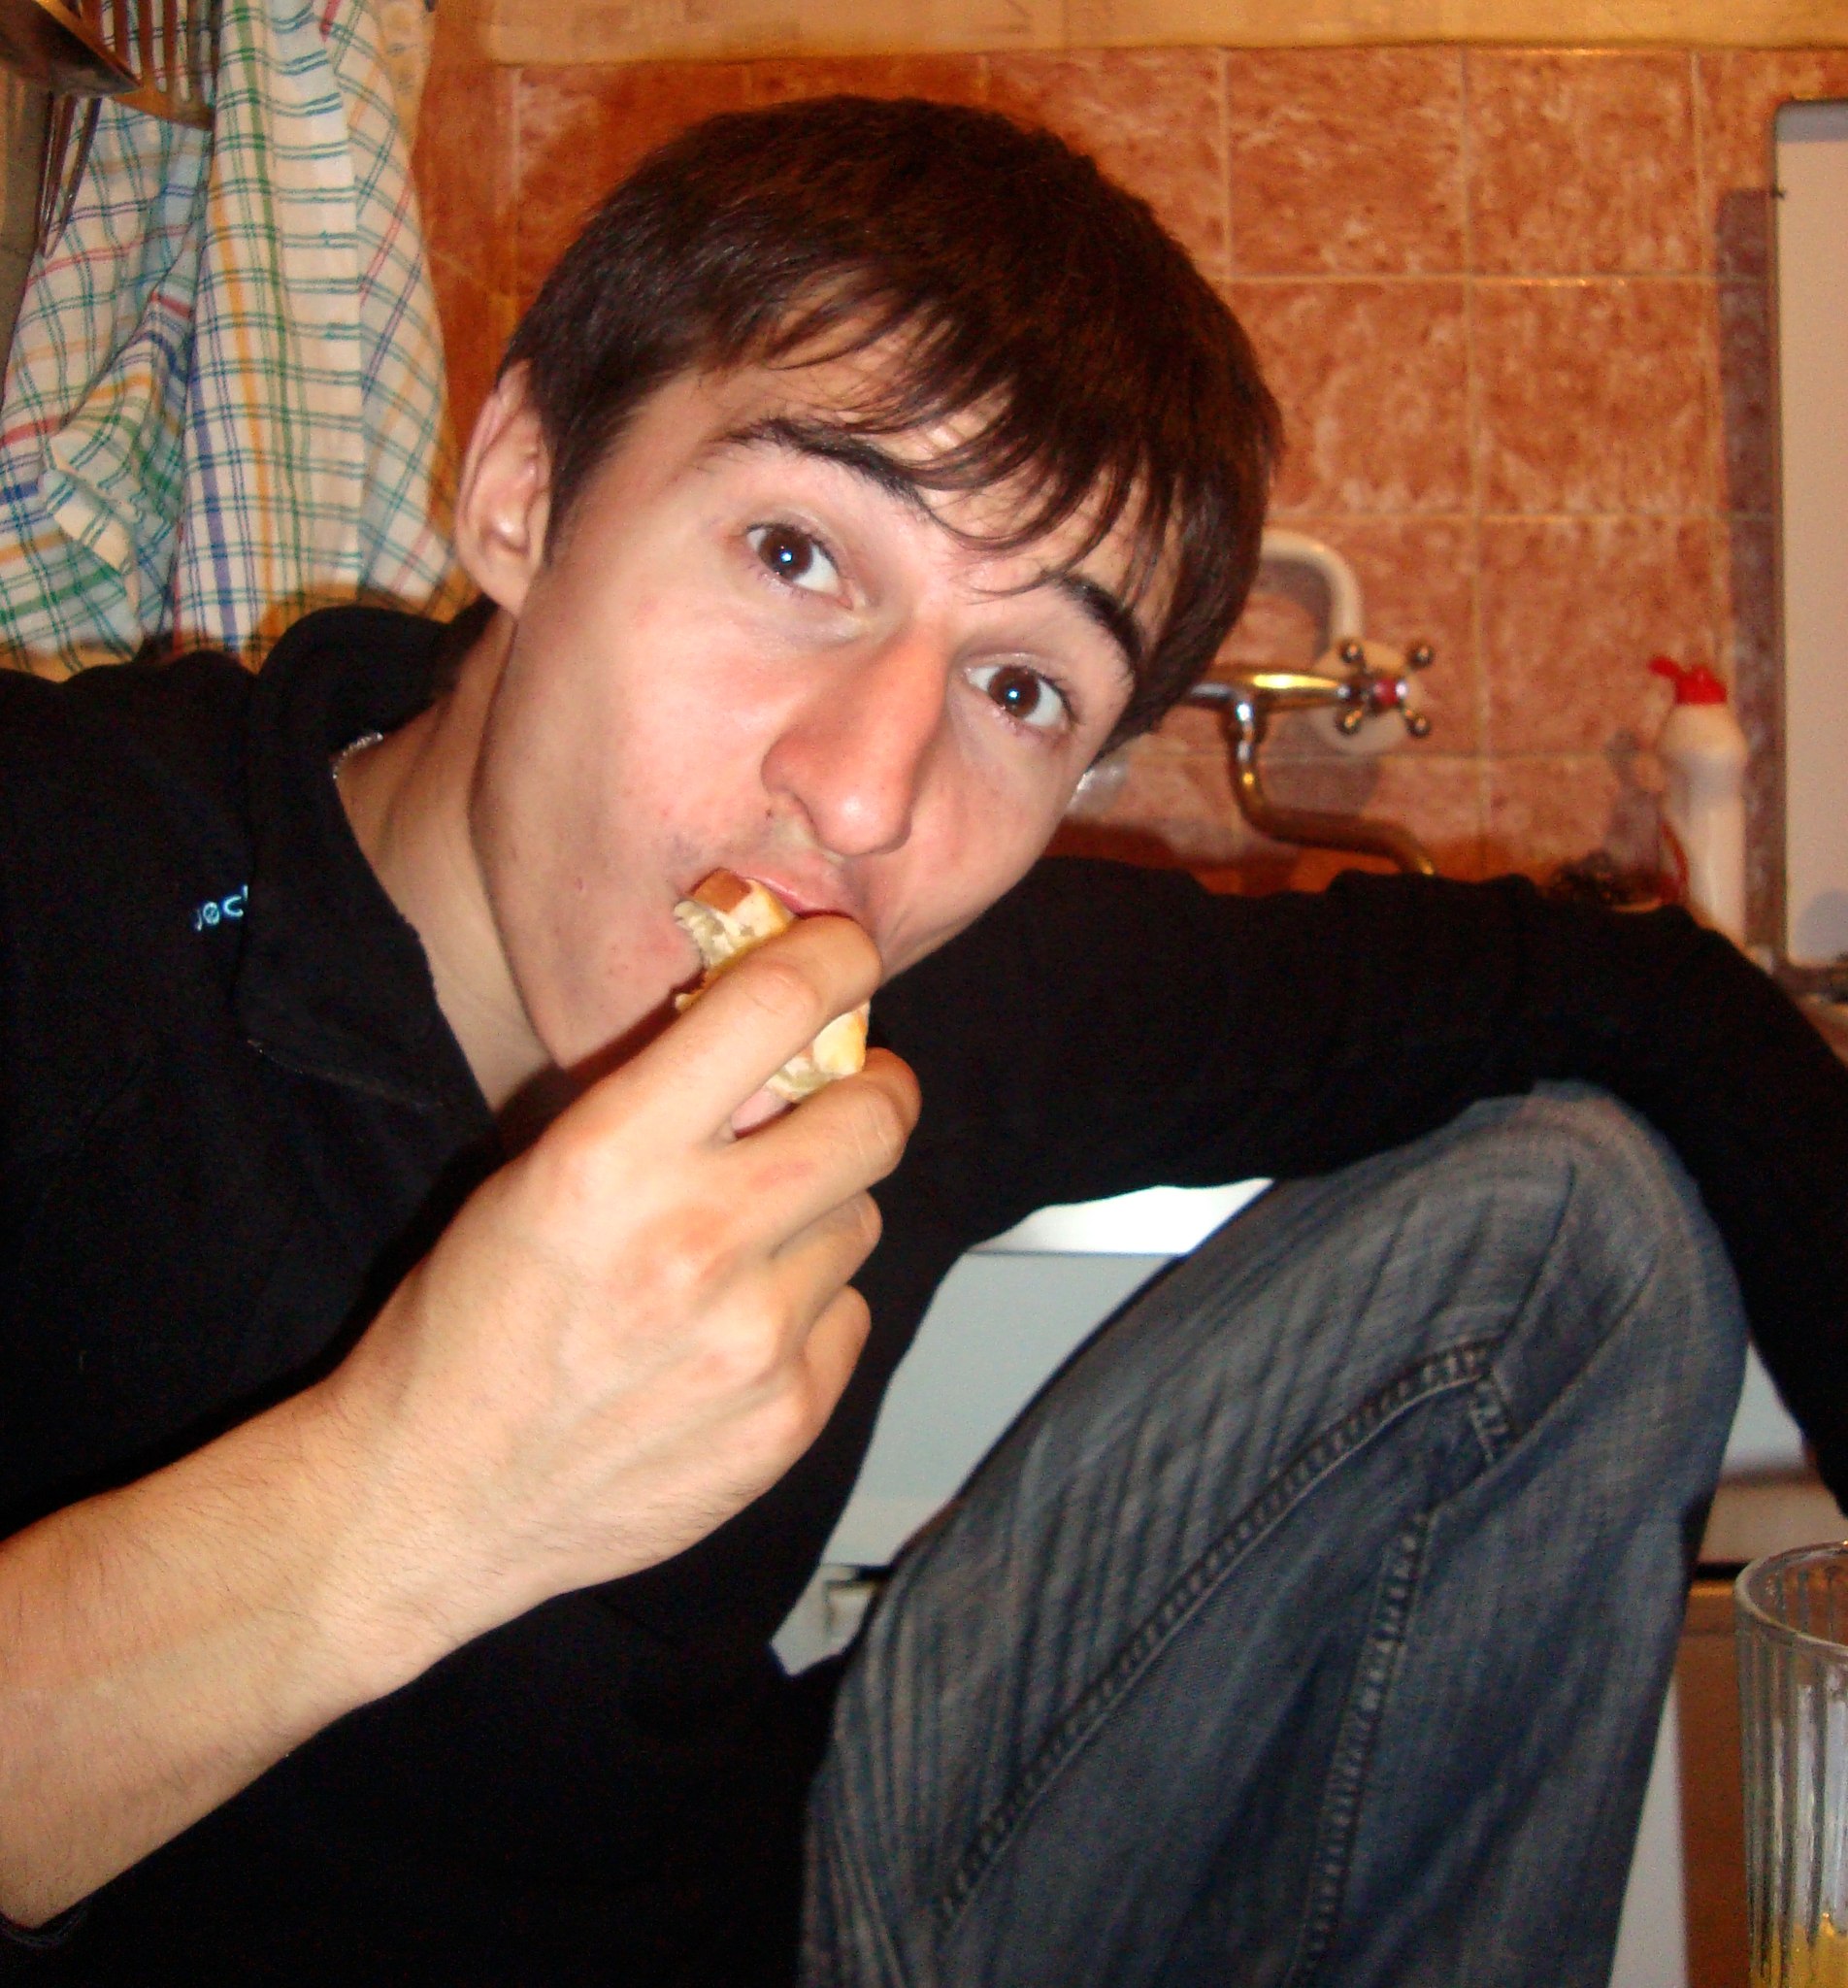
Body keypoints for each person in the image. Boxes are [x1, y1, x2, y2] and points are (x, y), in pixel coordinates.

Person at [0, 93, 1841, 1988]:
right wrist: (407, 1492)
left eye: (1020, 686)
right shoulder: (64, 881)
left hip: (786, 1918)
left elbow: (1616, 983)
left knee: (1580, 1216)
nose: (869, 793)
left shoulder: (943, 994)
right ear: (526, 491)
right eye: (796, 553)